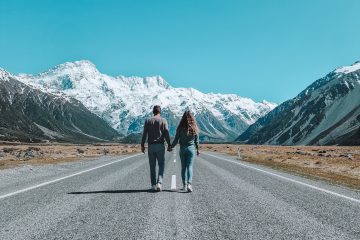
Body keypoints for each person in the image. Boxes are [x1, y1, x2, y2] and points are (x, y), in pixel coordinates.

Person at [141, 105, 172, 192]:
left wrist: (142, 145)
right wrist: (169, 144)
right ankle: (159, 183)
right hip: (160, 145)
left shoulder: (148, 120)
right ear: (160, 112)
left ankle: (153, 185)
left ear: (153, 111)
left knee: (152, 166)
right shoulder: (163, 120)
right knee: (161, 165)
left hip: (151, 146)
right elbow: (166, 133)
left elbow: (144, 134)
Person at [171, 110, 199, 192]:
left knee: (183, 167)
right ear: (191, 118)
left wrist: (171, 147)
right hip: (191, 149)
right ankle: (189, 184)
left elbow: (176, 140)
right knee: (190, 167)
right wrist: (197, 149)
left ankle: (184, 185)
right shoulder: (194, 127)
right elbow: (197, 141)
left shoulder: (180, 128)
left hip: (182, 149)